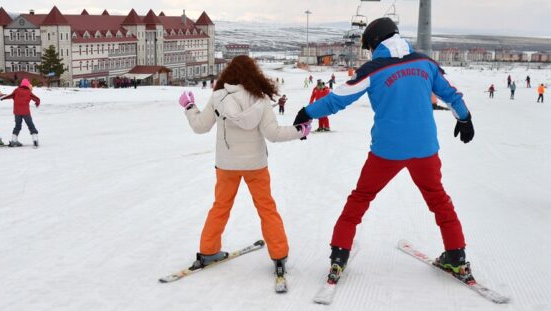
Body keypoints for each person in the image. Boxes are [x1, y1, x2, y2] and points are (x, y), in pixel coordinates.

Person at [293, 17, 476, 285]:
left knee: (360, 198)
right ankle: (457, 258)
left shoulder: (374, 69)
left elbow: (337, 100)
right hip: (425, 149)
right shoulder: (426, 63)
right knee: (438, 200)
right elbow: (451, 94)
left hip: (386, 151)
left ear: (375, 42)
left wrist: (307, 112)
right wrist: (464, 117)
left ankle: (338, 256)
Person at [178, 55, 312, 279]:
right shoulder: (259, 101)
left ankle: (208, 250)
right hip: (255, 166)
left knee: (220, 207)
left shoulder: (218, 97)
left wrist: (190, 106)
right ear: (253, 74)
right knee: (266, 209)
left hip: (226, 165)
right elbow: (274, 134)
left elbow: (200, 127)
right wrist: (301, 130)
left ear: (229, 74)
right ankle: (279, 254)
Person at [0, 79, 40, 147]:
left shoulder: (16, 90)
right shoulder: (28, 92)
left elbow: (10, 95)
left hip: (17, 112)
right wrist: (37, 103)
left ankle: (14, 140)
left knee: (17, 126)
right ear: (28, 85)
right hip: (26, 112)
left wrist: (2, 98)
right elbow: (37, 99)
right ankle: (35, 140)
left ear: (21, 84)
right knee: (30, 125)